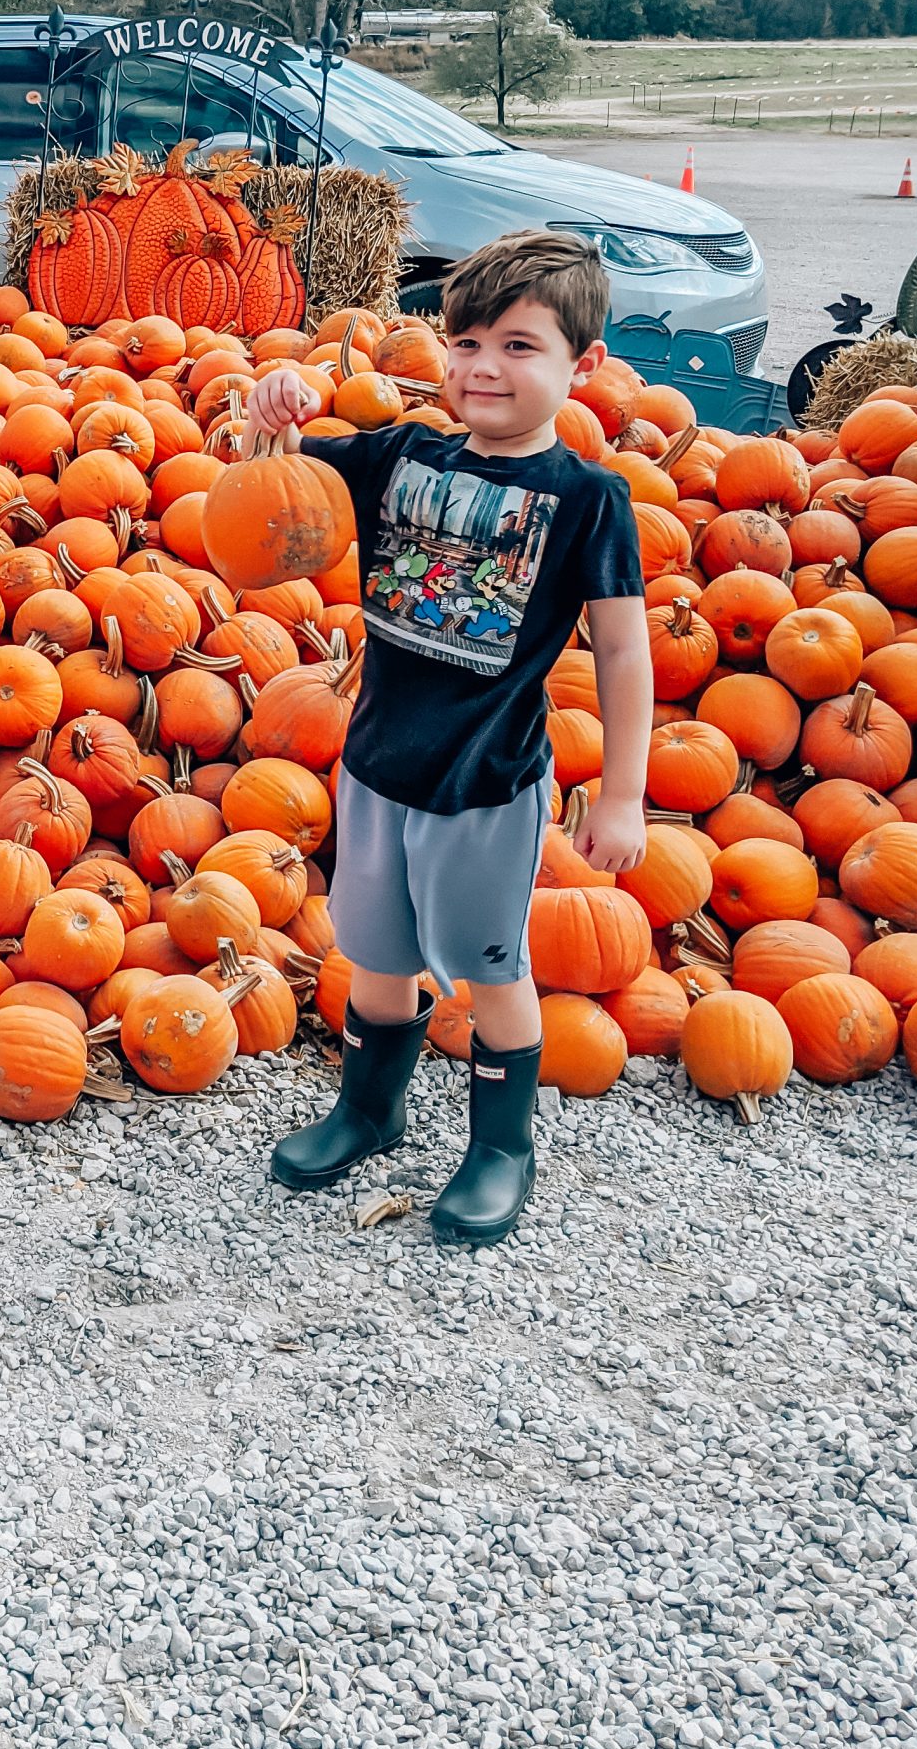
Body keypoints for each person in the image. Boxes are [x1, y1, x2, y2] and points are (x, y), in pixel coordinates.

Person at [244, 230, 650, 1246]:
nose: (483, 367)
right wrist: (269, 409)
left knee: (490, 969)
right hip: (377, 767)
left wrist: (625, 792)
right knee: (376, 957)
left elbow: (623, 656)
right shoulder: (398, 455)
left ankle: (502, 1148)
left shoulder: (587, 500)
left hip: (485, 785)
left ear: (582, 367)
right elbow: (273, 494)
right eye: (467, 341)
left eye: (520, 347)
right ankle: (371, 1111)